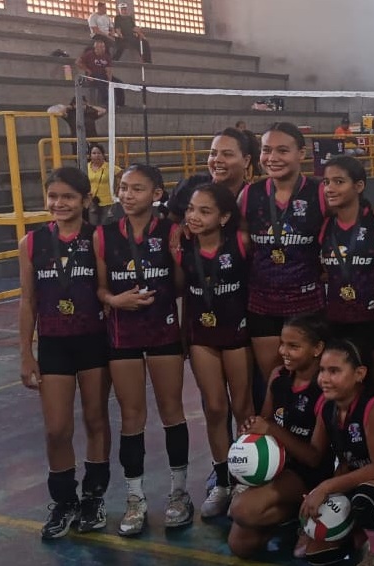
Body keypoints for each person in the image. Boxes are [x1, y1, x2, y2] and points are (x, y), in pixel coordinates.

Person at [93, 164, 190, 536]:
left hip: (163, 330)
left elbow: (179, 284)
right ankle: (135, 498)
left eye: (137, 188)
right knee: (131, 416)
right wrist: (114, 300)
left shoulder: (170, 232)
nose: (127, 194)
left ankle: (179, 493)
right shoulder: (104, 234)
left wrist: (176, 259)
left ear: (157, 194)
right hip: (123, 335)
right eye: (123, 187)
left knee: (172, 411)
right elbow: (101, 288)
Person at [19, 167, 112, 539]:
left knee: (96, 420)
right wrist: (26, 353)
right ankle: (63, 500)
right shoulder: (32, 242)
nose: (59, 203)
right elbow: (28, 301)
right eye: (53, 196)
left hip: (94, 341)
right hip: (54, 344)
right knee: (57, 429)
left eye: (68, 196)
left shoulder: (99, 238)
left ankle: (93, 497)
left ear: (85, 200)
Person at [228, 314, 332, 559]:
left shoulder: (325, 388)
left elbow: (314, 458)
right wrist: (251, 432)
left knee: (242, 509)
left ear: (317, 349)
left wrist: (270, 429)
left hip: (311, 474)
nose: (283, 351)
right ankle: (298, 513)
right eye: (282, 343)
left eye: (293, 346)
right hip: (280, 466)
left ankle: (312, 511)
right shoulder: (278, 375)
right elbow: (267, 420)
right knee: (240, 545)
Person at [238, 122, 326, 411]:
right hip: (262, 305)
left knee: (311, 385)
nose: (272, 157)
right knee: (275, 382)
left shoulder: (320, 192)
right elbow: (238, 240)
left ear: (301, 153)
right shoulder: (249, 195)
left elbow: (351, 220)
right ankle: (277, 438)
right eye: (266, 150)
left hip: (307, 304)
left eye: (282, 150)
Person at [180, 182, 254, 517]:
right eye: (191, 209)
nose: (194, 216)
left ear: (224, 217)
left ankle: (245, 478)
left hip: (237, 334)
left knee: (243, 408)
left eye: (204, 211)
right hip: (202, 337)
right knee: (213, 408)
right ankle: (222, 481)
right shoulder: (181, 245)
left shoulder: (241, 243)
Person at [300, 340, 374, 566]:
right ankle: (368, 532)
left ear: (359, 374)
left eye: (334, 371)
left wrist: (326, 487)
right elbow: (322, 457)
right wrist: (314, 498)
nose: (324, 378)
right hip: (358, 485)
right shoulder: (327, 407)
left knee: (366, 497)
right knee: (317, 553)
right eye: (322, 370)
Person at [318, 156, 374, 397]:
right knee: (344, 397)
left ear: (359, 186)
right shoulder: (323, 225)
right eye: (326, 182)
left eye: (339, 181)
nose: (330, 188)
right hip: (337, 324)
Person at [168, 127, 261, 223]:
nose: (217, 159)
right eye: (213, 153)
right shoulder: (190, 186)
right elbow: (169, 225)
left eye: (227, 154)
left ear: (246, 161)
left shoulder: (256, 198)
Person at [76, 36, 113, 106]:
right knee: (101, 81)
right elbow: (78, 62)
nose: (103, 49)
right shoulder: (89, 54)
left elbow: (108, 70)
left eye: (103, 47)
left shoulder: (107, 56)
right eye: (101, 47)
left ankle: (120, 104)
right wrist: (87, 70)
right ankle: (106, 102)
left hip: (103, 75)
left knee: (118, 82)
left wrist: (110, 81)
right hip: (93, 75)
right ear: (96, 48)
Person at [87, 143, 113, 225]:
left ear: (103, 155)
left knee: (105, 226)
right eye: (94, 153)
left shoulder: (109, 167)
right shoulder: (86, 167)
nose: (96, 155)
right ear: (90, 155)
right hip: (92, 202)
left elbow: (122, 175)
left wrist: (118, 188)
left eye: (99, 153)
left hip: (107, 202)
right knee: (93, 225)